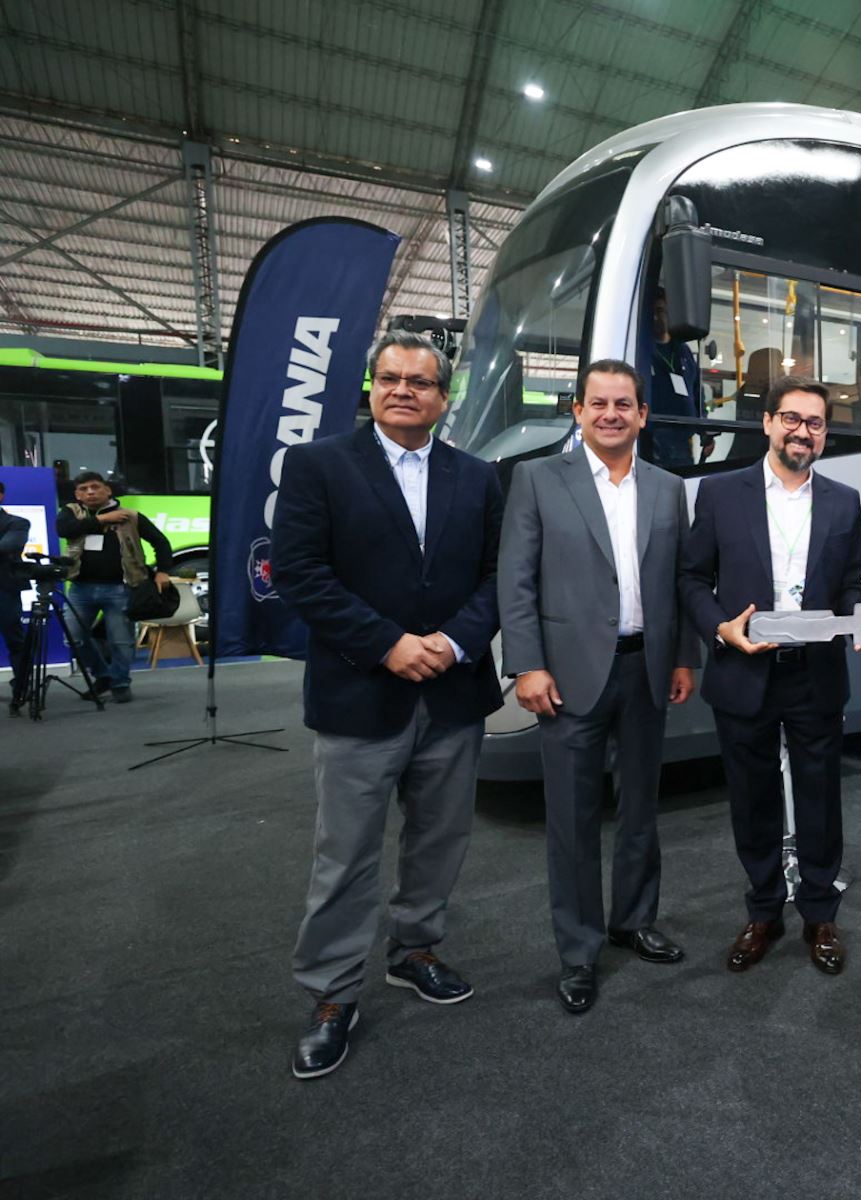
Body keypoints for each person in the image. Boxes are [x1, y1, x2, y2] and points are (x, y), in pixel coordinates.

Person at [272, 330, 504, 1080]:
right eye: (391, 378)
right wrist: (388, 644)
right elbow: (301, 575)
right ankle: (333, 995)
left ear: (443, 398)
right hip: (359, 692)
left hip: (454, 692)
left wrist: (452, 642)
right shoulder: (317, 467)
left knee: (440, 841)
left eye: (421, 382)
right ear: (370, 387)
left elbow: (500, 576)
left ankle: (415, 950)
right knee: (344, 857)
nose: (404, 390)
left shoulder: (479, 477)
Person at [499, 358, 702, 1015]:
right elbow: (517, 579)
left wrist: (683, 659)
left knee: (641, 807)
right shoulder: (535, 480)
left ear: (643, 415)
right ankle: (580, 950)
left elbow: (681, 581)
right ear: (578, 411)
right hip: (566, 676)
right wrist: (526, 664)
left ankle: (633, 919)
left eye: (624, 404)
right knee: (573, 820)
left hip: (645, 670)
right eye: (598, 403)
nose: (611, 413)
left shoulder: (669, 488)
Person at [678, 376, 861, 976]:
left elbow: (853, 583)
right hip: (743, 670)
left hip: (815, 675)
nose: (801, 431)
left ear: (824, 434)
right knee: (752, 800)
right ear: (766, 423)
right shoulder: (719, 493)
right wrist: (719, 628)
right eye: (791, 418)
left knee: (820, 799)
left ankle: (818, 912)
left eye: (814, 423)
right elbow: (691, 580)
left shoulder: (844, 500)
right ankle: (762, 911)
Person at [54, 471, 174, 703]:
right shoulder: (71, 512)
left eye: (95, 487)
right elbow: (64, 531)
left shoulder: (130, 516)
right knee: (73, 637)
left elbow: (160, 542)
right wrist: (102, 520)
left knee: (121, 641)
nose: (90, 492)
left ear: (107, 489)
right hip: (80, 589)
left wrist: (163, 571)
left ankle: (120, 682)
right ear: (77, 495)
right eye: (83, 489)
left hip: (121, 588)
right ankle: (103, 675)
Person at [646, 288, 707, 466]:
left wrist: (704, 431)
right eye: (653, 313)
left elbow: (697, 393)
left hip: (683, 447)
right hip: (653, 445)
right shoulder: (642, 349)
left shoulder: (684, 351)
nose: (657, 317)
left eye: (661, 311)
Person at [1, 480, 29, 715]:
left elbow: (7, 546)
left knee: (15, 641)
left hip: (4, 589)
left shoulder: (16, 523)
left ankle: (20, 689)